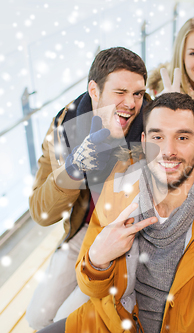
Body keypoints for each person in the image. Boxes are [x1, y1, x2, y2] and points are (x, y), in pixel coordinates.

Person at [38, 93, 194, 333]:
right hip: (113, 322)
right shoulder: (116, 190)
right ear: (144, 142)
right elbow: (91, 287)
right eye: (158, 137)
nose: (168, 151)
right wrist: (96, 261)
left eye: (182, 138)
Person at [26, 47, 149, 330]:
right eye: (120, 92)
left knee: (66, 322)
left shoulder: (152, 123)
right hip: (85, 229)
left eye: (138, 94)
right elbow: (41, 213)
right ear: (94, 90)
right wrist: (72, 169)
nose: (131, 104)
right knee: (36, 318)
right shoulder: (64, 127)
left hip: (126, 238)